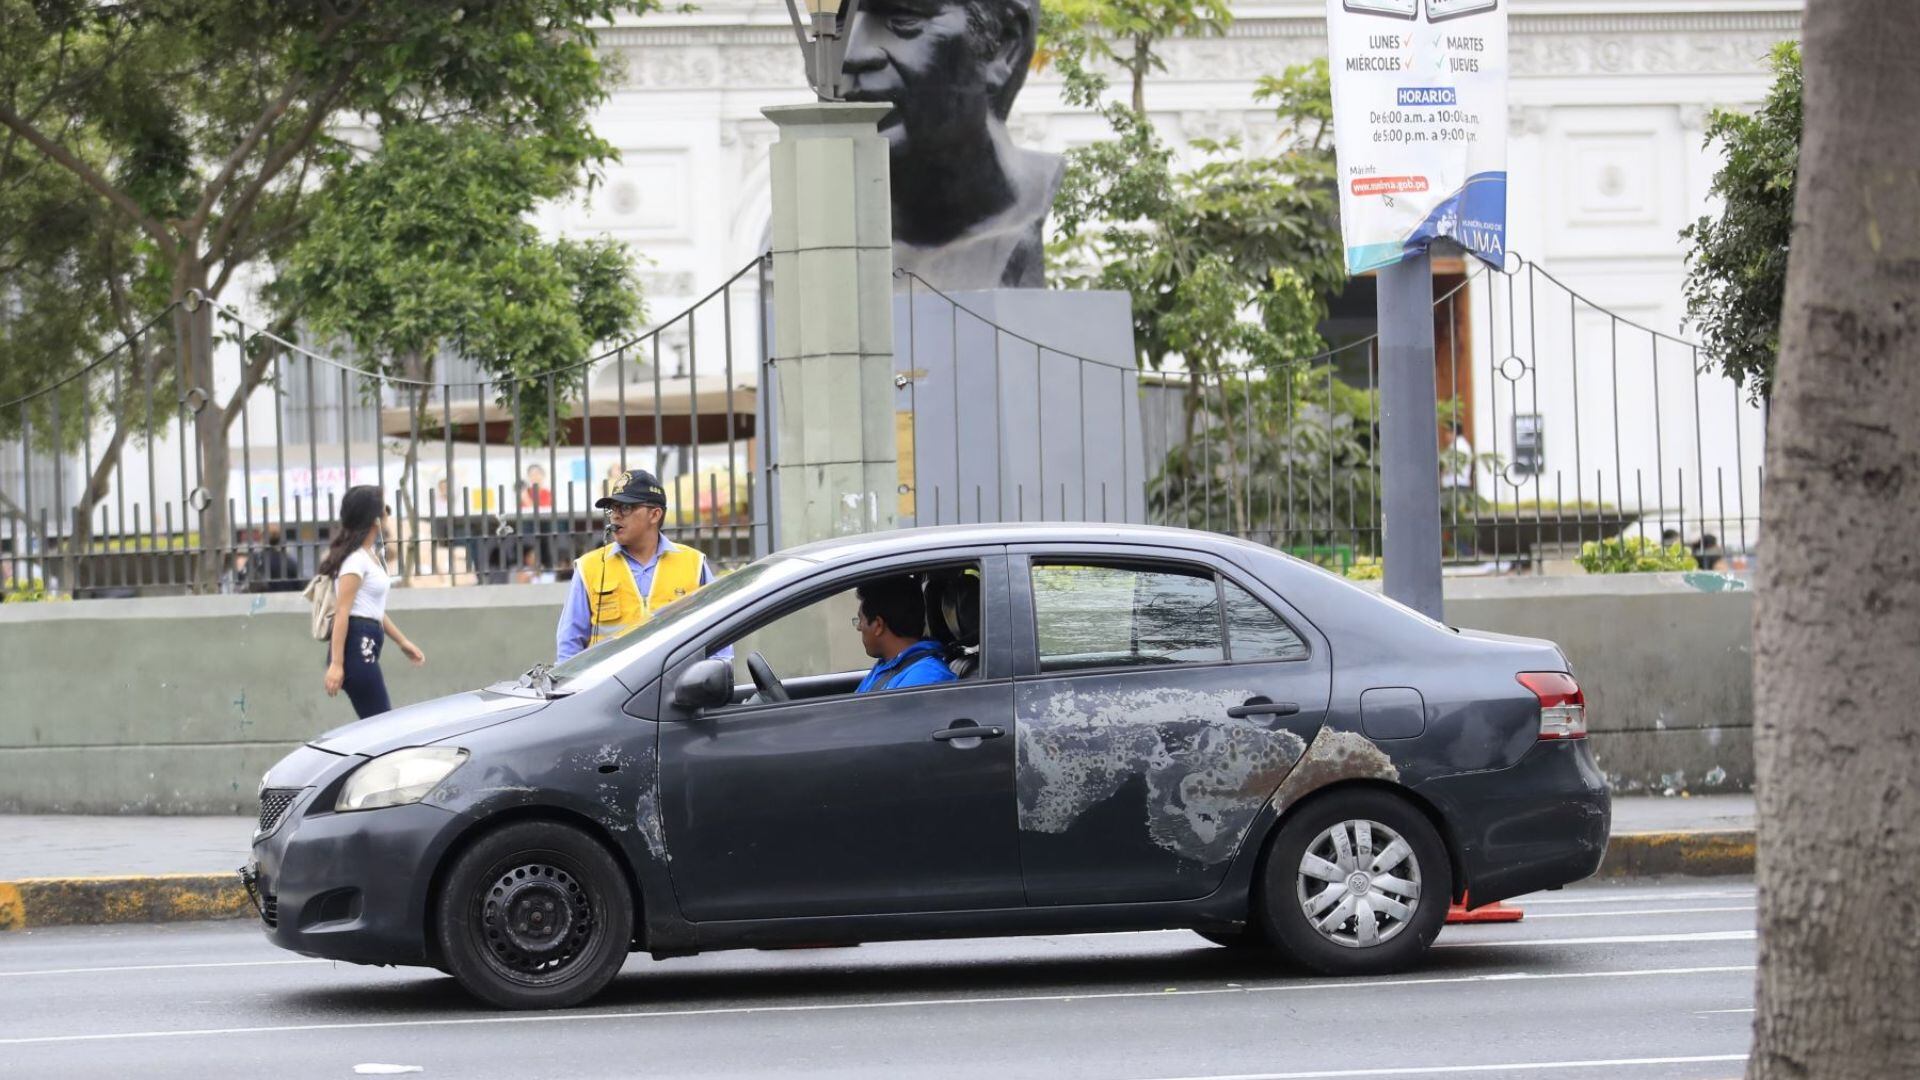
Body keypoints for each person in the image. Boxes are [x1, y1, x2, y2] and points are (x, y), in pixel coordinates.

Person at [841, 0, 1062, 289]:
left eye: (903, 18)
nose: (851, 55)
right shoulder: (821, 246)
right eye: (835, 26)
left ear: (1003, 47)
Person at [555, 468, 715, 662]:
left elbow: (717, 632)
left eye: (625, 508)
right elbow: (569, 645)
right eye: (612, 509)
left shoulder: (693, 563)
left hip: (678, 687)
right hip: (610, 688)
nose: (615, 516)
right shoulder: (590, 567)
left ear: (655, 515)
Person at [321, 486, 426, 718]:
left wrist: (402, 642)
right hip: (357, 647)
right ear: (374, 519)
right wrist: (337, 664)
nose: (387, 515)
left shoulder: (369, 557)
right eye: (384, 510)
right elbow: (343, 612)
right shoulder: (355, 561)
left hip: (366, 642)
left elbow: (373, 610)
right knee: (381, 722)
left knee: (377, 722)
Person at [852, 576, 958, 693]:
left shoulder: (926, 678)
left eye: (860, 619)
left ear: (878, 625)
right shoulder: (886, 665)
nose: (858, 627)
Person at [249, 525, 305, 593]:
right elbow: (300, 585)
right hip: (288, 600)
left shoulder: (257, 560)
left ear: (263, 538)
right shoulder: (289, 561)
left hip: (265, 601)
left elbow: (244, 581)